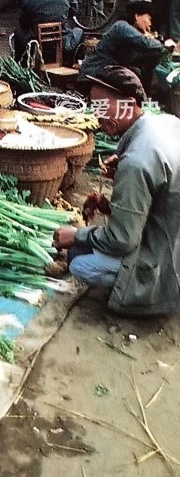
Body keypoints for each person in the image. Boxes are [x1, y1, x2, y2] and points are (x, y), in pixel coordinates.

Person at [53, 65, 180, 316]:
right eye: (94, 105)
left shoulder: (136, 162)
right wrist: (124, 158)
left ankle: (149, 296)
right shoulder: (164, 120)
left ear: (130, 103)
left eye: (103, 106)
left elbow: (122, 240)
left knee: (79, 261)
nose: (97, 114)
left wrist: (77, 235)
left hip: (166, 255)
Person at [77, 0, 164, 96]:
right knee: (132, 81)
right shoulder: (122, 26)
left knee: (138, 72)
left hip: (107, 69)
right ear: (137, 16)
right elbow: (145, 43)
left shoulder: (131, 31)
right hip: (97, 70)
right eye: (149, 19)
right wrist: (165, 44)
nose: (150, 24)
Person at [13, 0, 82, 61]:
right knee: (78, 31)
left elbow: (24, 22)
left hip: (36, 42)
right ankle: (72, 61)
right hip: (61, 42)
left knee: (19, 31)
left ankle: (21, 63)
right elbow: (74, 11)